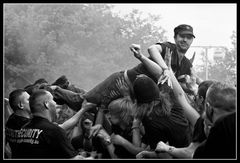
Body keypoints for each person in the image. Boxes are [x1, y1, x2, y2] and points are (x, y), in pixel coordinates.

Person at [7, 89, 93, 159]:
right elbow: (60, 129)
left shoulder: (16, 124)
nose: (55, 103)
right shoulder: (51, 130)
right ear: (46, 104)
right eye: (28, 99)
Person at [5, 89, 32, 158]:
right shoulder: (30, 125)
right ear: (21, 105)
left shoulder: (11, 120)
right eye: (29, 99)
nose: (32, 101)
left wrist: (8, 105)